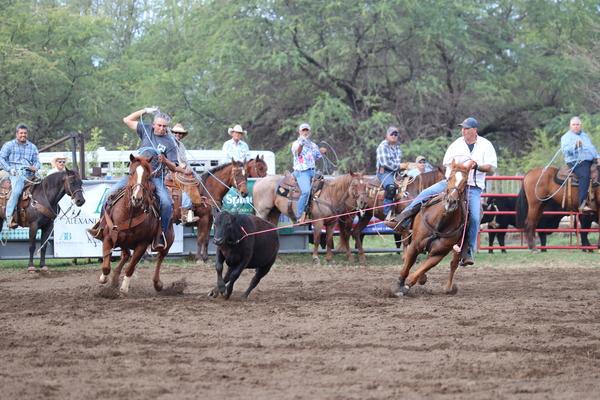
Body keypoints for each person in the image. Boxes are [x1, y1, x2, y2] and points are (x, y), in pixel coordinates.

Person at [392, 117, 497, 266]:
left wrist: (476, 166)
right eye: (463, 128)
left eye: (467, 128)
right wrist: (462, 168)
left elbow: (491, 168)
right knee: (424, 194)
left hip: (473, 187)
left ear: (474, 130)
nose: (463, 131)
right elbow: (448, 164)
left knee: (474, 217)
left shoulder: (486, 145)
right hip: (451, 183)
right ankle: (402, 219)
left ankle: (468, 251)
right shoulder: (456, 145)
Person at [87, 107, 185, 249]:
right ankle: (101, 227)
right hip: (135, 175)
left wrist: (166, 161)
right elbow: (127, 120)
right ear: (153, 124)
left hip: (155, 178)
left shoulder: (170, 142)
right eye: (159, 125)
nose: (162, 128)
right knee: (109, 193)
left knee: (165, 202)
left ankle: (160, 235)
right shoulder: (146, 130)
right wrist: (145, 110)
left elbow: (175, 167)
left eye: (164, 126)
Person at [0, 124, 41, 229]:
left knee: (42, 188)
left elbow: (37, 162)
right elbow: (1, 159)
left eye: (25, 133)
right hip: (15, 172)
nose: (23, 135)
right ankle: (9, 217)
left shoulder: (32, 147)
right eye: (21, 133)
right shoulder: (9, 145)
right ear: (17, 134)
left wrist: (35, 167)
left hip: (30, 174)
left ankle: (40, 216)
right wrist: (10, 169)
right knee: (17, 191)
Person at [560, 116, 600, 213]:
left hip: (590, 160)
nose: (576, 126)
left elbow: (592, 148)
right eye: (574, 125)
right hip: (576, 161)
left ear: (580, 125)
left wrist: (598, 157)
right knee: (584, 175)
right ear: (570, 126)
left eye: (577, 124)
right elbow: (565, 150)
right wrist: (575, 146)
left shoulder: (584, 136)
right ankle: (582, 204)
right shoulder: (566, 137)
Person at [291, 123, 327, 223]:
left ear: (309, 132)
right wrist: (302, 143)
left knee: (324, 186)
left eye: (307, 130)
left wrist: (321, 151)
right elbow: (298, 153)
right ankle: (298, 215)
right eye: (303, 130)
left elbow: (317, 156)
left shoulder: (313, 145)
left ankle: (318, 211)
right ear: (299, 132)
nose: (305, 132)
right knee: (306, 191)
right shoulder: (296, 144)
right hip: (301, 172)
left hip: (312, 171)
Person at [171, 123, 199, 224]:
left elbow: (185, 160)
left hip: (181, 169)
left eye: (180, 133)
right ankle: (185, 213)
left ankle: (195, 206)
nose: (178, 134)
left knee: (197, 179)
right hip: (172, 169)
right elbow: (172, 159)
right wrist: (183, 167)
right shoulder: (170, 143)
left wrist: (189, 168)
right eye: (176, 133)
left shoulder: (181, 145)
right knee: (186, 183)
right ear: (173, 133)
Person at [376, 126, 403, 218]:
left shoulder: (398, 148)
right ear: (387, 135)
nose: (394, 136)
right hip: (384, 172)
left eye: (396, 134)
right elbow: (386, 163)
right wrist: (401, 166)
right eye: (392, 134)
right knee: (391, 187)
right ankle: (387, 213)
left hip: (396, 172)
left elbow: (397, 162)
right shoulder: (382, 146)